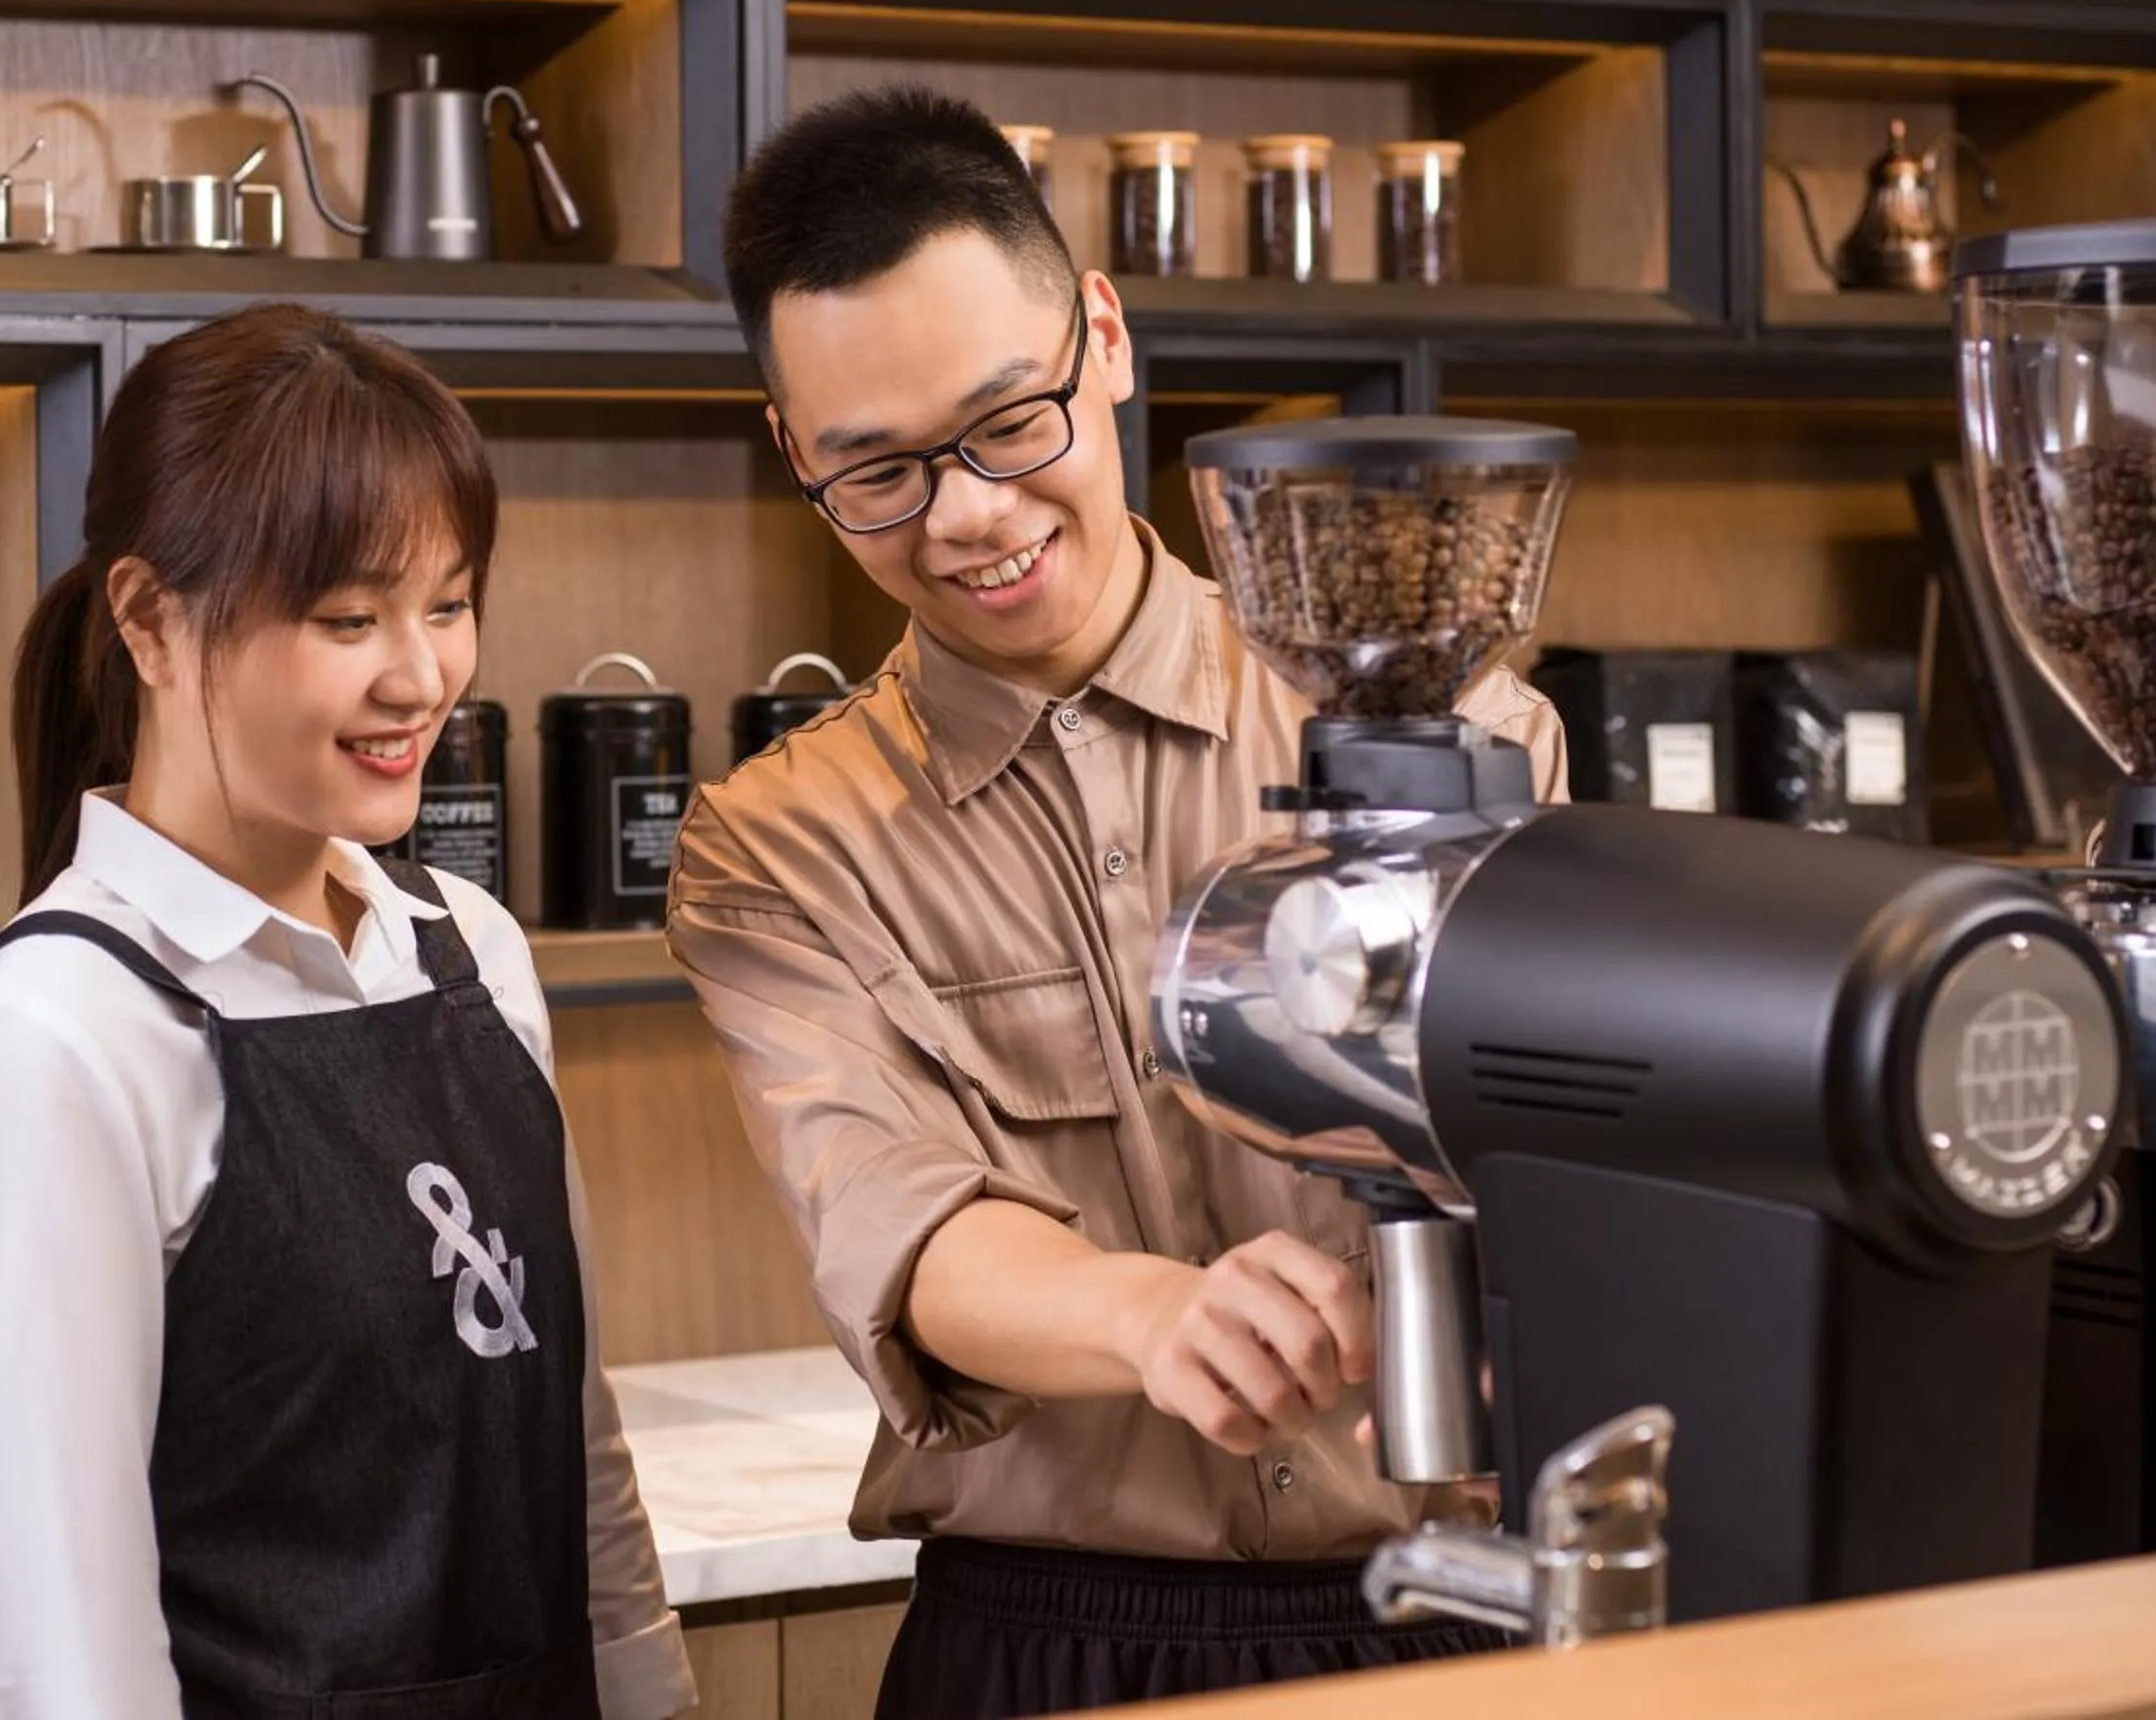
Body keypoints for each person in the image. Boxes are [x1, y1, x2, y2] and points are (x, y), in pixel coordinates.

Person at [667, 87, 1569, 1719]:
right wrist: (1157, 1318)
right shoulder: (779, 846)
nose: (970, 514)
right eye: (879, 471)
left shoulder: (1447, 727)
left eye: (1011, 423)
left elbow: (1563, 1145)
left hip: (1449, 1618)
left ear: (1103, 336)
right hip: (1047, 1645)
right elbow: (895, 1222)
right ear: (797, 453)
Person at [0, 304, 695, 1720]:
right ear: (150, 620)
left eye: (448, 604)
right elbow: (62, 1661)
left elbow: (577, 1456)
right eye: (348, 619)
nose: (421, 677)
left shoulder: (473, 952)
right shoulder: (54, 1043)